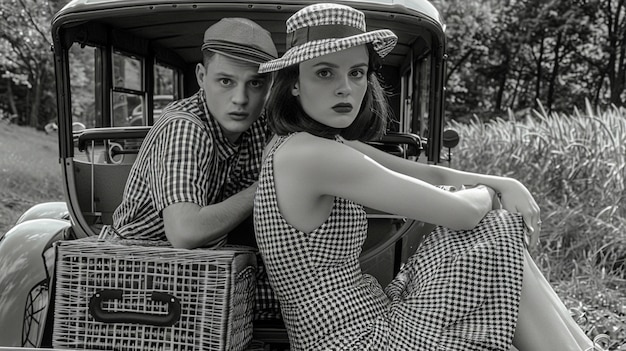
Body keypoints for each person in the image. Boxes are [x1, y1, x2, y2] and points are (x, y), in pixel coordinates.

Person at [254, 3, 605, 351]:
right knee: (494, 232)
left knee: (497, 239)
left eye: (357, 72)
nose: (345, 87)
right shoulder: (313, 155)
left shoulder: (304, 144)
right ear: (294, 83)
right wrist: (488, 190)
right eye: (325, 73)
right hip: (357, 340)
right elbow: (462, 213)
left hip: (362, 324)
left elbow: (427, 172)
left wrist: (506, 183)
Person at [107, 18, 281, 321]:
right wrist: (267, 183)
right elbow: (185, 232)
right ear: (201, 76)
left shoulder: (258, 124)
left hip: (211, 266)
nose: (240, 99)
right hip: (142, 273)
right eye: (225, 81)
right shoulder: (185, 127)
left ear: (270, 85)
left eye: (255, 83)